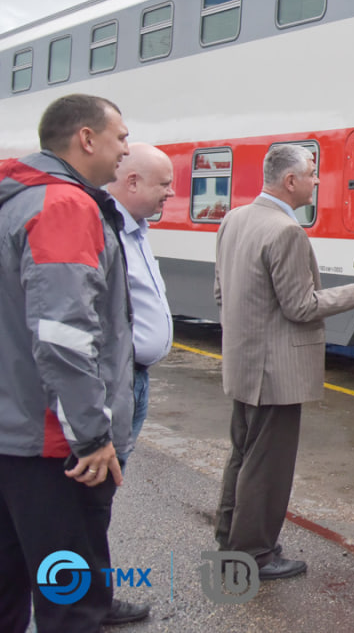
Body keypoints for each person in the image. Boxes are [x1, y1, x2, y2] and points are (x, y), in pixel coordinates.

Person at [0, 94, 150, 631]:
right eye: (121, 137)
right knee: (73, 600)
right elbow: (64, 337)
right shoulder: (64, 206)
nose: (125, 150)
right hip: (55, 446)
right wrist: (92, 436)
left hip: (11, 434)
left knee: (9, 586)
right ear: (86, 139)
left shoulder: (14, 201)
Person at [213, 143, 354, 581]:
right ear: (290, 181)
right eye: (312, 173)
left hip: (244, 362)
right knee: (268, 465)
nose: (316, 181)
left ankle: (230, 538)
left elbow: (222, 294)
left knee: (243, 455)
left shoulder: (234, 219)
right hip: (276, 371)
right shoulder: (286, 232)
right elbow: (300, 306)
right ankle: (255, 554)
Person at [105, 144, 175, 466]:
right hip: (116, 379)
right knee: (102, 475)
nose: (171, 193)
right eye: (164, 184)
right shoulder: (105, 231)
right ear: (133, 182)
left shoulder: (137, 230)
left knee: (115, 471)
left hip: (137, 380)